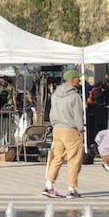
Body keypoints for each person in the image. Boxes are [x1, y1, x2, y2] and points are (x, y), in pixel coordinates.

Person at [43, 69, 86, 198]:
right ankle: (71, 189)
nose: (79, 80)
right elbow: (78, 116)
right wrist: (81, 130)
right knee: (74, 159)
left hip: (57, 128)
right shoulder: (75, 96)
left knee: (57, 158)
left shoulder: (55, 94)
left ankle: (49, 185)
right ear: (72, 80)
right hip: (71, 129)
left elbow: (51, 112)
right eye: (78, 78)